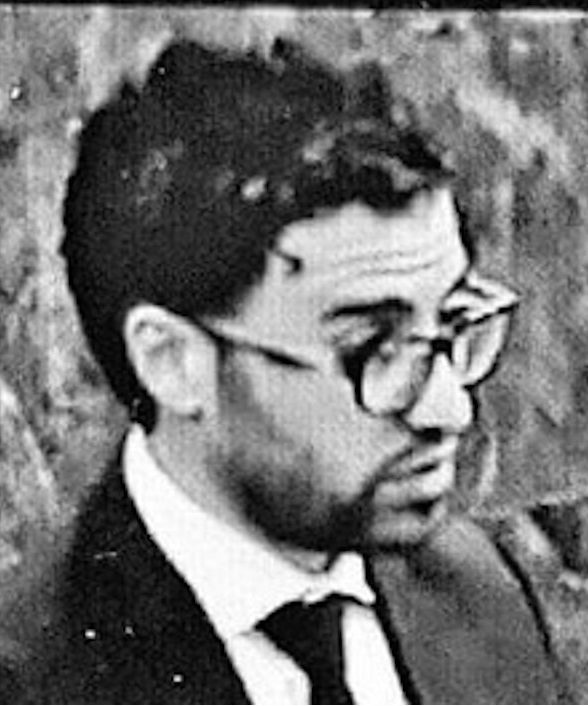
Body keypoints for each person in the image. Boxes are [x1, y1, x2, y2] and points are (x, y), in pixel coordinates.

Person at [30, 38, 576, 704]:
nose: (449, 409)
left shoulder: (480, 596)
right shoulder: (36, 672)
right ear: (172, 362)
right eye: (372, 348)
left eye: (454, 322)